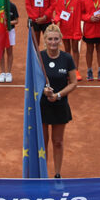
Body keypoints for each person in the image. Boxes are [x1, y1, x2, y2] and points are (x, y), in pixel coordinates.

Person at [39, 24, 78, 178]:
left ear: (61, 40)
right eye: (50, 39)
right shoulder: (39, 57)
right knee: (43, 143)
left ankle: (57, 175)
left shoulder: (67, 58)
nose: (53, 42)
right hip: (42, 105)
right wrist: (43, 90)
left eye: (56, 39)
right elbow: (34, 81)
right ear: (45, 40)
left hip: (60, 105)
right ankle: (43, 175)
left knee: (58, 142)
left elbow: (73, 83)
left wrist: (58, 95)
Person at [51, 0, 83, 79]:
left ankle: (76, 70)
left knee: (75, 49)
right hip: (64, 28)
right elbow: (59, 12)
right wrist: (55, 20)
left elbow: (78, 15)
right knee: (67, 49)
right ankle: (68, 69)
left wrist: (77, 30)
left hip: (74, 29)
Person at [0, 0, 20, 83]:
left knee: (9, 51)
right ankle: (2, 72)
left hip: (10, 31)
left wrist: (8, 23)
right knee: (1, 52)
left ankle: (9, 72)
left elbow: (17, 20)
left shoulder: (12, 6)